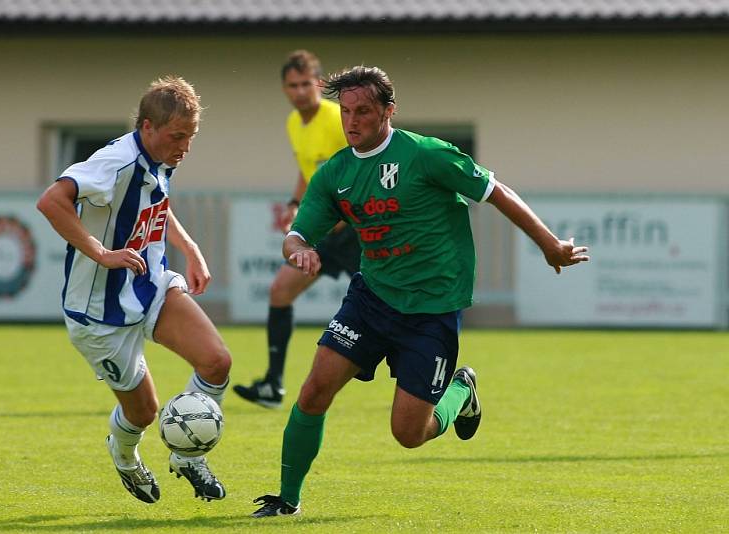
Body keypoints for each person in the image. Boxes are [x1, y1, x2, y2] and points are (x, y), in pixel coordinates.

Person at [251, 66, 589, 517]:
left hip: (431, 311)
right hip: (371, 298)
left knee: (409, 433)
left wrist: (550, 245)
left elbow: (496, 191)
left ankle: (460, 390)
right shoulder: (337, 173)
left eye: (364, 111)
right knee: (314, 391)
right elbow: (297, 233)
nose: (352, 122)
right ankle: (287, 499)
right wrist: (298, 251)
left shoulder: (427, 155)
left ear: (389, 111)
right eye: (346, 112)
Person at [37, 76, 232, 504]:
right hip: (98, 315)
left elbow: (156, 206)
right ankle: (126, 459)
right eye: (177, 136)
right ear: (147, 127)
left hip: (149, 285)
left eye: (191, 137)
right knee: (143, 411)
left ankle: (186, 455)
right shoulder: (115, 161)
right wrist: (102, 252)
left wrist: (191, 249)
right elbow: (51, 201)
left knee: (217, 362)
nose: (185, 147)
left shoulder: (159, 159)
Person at [233, 50, 359, 409]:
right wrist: (294, 204)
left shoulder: (337, 118)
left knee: (391, 306)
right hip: (326, 233)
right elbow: (309, 172)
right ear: (285, 89)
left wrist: (344, 215)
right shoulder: (294, 124)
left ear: (320, 83)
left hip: (358, 231)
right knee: (280, 290)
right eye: (293, 85)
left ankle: (428, 378)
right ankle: (273, 384)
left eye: (307, 84)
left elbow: (360, 164)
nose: (300, 91)